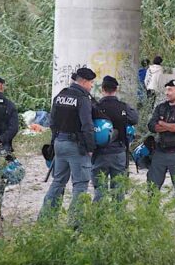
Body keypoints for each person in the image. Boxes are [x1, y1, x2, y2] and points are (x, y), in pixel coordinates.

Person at [39, 67, 97, 220]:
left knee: (58, 181)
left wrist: (55, 141)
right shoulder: (83, 99)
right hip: (76, 146)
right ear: (83, 82)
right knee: (80, 184)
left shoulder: (60, 95)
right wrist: (90, 147)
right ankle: (75, 222)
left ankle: (46, 218)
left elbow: (52, 122)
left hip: (59, 143)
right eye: (91, 82)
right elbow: (87, 125)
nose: (91, 86)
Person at [147, 79, 175, 215]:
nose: (167, 93)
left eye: (170, 90)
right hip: (160, 152)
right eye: (166, 90)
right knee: (153, 187)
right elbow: (151, 126)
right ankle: (151, 216)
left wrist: (163, 124)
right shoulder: (161, 107)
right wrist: (169, 127)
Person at [91, 76, 139, 202]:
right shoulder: (123, 107)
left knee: (99, 189)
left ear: (102, 89)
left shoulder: (95, 107)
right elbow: (134, 119)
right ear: (116, 89)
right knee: (118, 189)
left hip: (99, 153)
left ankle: (98, 216)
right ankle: (118, 217)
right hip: (118, 152)